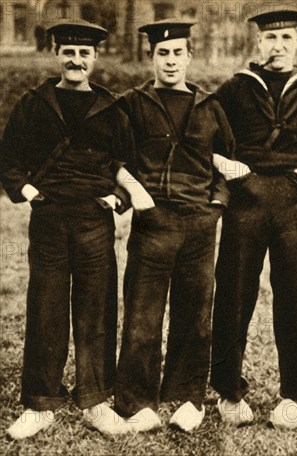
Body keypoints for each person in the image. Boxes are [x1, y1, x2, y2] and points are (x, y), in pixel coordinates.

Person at [0, 19, 133, 439]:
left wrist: (118, 198)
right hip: (49, 220)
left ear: (95, 58)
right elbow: (9, 159)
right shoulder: (34, 103)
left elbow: (129, 165)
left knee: (96, 309)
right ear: (57, 55)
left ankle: (95, 400)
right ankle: (40, 403)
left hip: (95, 220)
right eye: (68, 52)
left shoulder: (112, 107)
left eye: (84, 53)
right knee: (46, 307)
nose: (76, 60)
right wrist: (26, 189)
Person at [209, 6, 297, 429]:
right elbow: (204, 134)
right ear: (257, 42)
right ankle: (228, 390)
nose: (277, 47)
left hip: (294, 199)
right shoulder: (235, 88)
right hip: (247, 197)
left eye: (286, 39)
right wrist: (236, 172)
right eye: (270, 38)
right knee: (234, 287)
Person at [112, 20, 233, 433]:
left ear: (189, 56)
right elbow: (116, 159)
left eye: (178, 52)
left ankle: (187, 397)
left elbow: (226, 161)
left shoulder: (209, 106)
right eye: (162, 53)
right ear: (152, 57)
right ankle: (137, 401)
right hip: (153, 223)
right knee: (143, 315)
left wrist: (216, 205)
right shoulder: (133, 103)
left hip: (199, 226)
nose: (170, 60)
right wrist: (131, 195)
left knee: (196, 313)